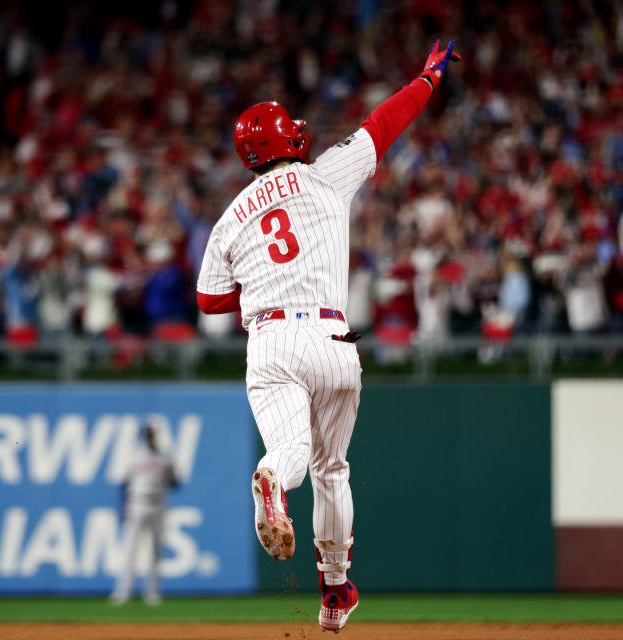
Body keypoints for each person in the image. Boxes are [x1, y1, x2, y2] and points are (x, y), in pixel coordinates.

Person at [196, 40, 460, 632]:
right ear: (286, 140)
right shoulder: (325, 177)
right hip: (335, 342)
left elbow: (209, 300)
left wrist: (263, 282)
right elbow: (382, 124)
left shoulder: (231, 217)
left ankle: (272, 482)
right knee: (332, 469)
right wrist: (428, 77)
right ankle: (335, 594)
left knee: (287, 456)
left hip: (272, 341)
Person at [109, 423, 177, 606]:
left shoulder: (165, 456)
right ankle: (123, 591)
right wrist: (123, 506)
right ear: (144, 436)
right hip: (137, 503)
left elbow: (175, 482)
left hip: (158, 504)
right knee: (130, 549)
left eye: (152, 434)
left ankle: (152, 592)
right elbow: (124, 483)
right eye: (148, 434)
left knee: (155, 550)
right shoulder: (134, 454)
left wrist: (170, 477)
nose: (150, 437)